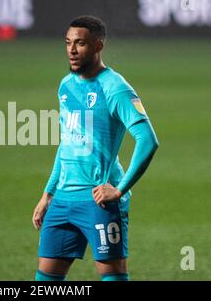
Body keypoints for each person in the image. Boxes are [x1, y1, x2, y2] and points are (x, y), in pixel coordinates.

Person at [32, 15, 159, 281]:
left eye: (80, 44)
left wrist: (120, 188)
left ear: (98, 46)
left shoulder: (114, 88)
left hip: (98, 202)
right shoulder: (66, 85)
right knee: (45, 280)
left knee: (113, 276)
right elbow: (68, 143)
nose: (72, 50)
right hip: (62, 201)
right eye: (68, 43)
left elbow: (148, 140)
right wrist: (48, 193)